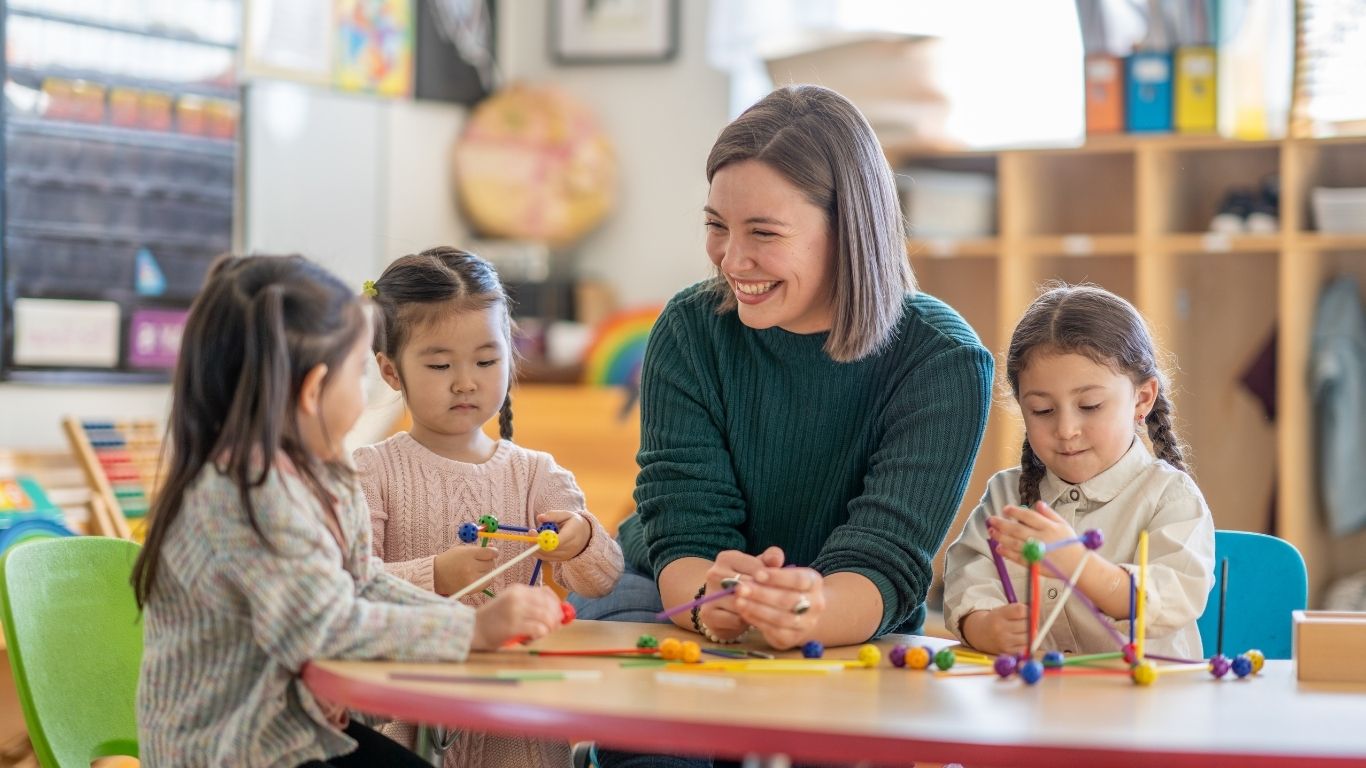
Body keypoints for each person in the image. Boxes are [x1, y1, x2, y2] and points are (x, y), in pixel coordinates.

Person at [574, 83, 992, 657]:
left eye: (763, 232)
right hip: (665, 595)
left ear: (849, 230)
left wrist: (806, 613)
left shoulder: (943, 360)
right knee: (662, 744)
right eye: (717, 225)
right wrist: (710, 603)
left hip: (847, 623)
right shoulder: (690, 328)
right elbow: (684, 533)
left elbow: (886, 561)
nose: (730, 258)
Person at [131, 255, 565, 768]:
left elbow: (361, 583)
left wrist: (466, 620)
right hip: (231, 752)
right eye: (358, 370)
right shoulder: (242, 495)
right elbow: (323, 628)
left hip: (294, 738)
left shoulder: (323, 474)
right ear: (315, 390)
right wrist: (469, 632)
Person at [357, 247, 623, 766]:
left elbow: (603, 579)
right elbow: (348, 585)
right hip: (408, 730)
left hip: (519, 734)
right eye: (439, 364)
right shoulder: (373, 471)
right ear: (391, 371)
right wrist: (436, 573)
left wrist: (581, 539)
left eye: (486, 360)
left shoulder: (536, 473)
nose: (466, 381)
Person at [944, 284, 1215, 658]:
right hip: (1038, 703)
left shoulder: (1171, 497)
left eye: (1089, 405)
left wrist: (1077, 564)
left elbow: (1171, 596)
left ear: (1142, 399)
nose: (1066, 429)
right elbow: (967, 579)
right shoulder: (1006, 497)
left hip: (1147, 705)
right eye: (1042, 410)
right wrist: (983, 626)